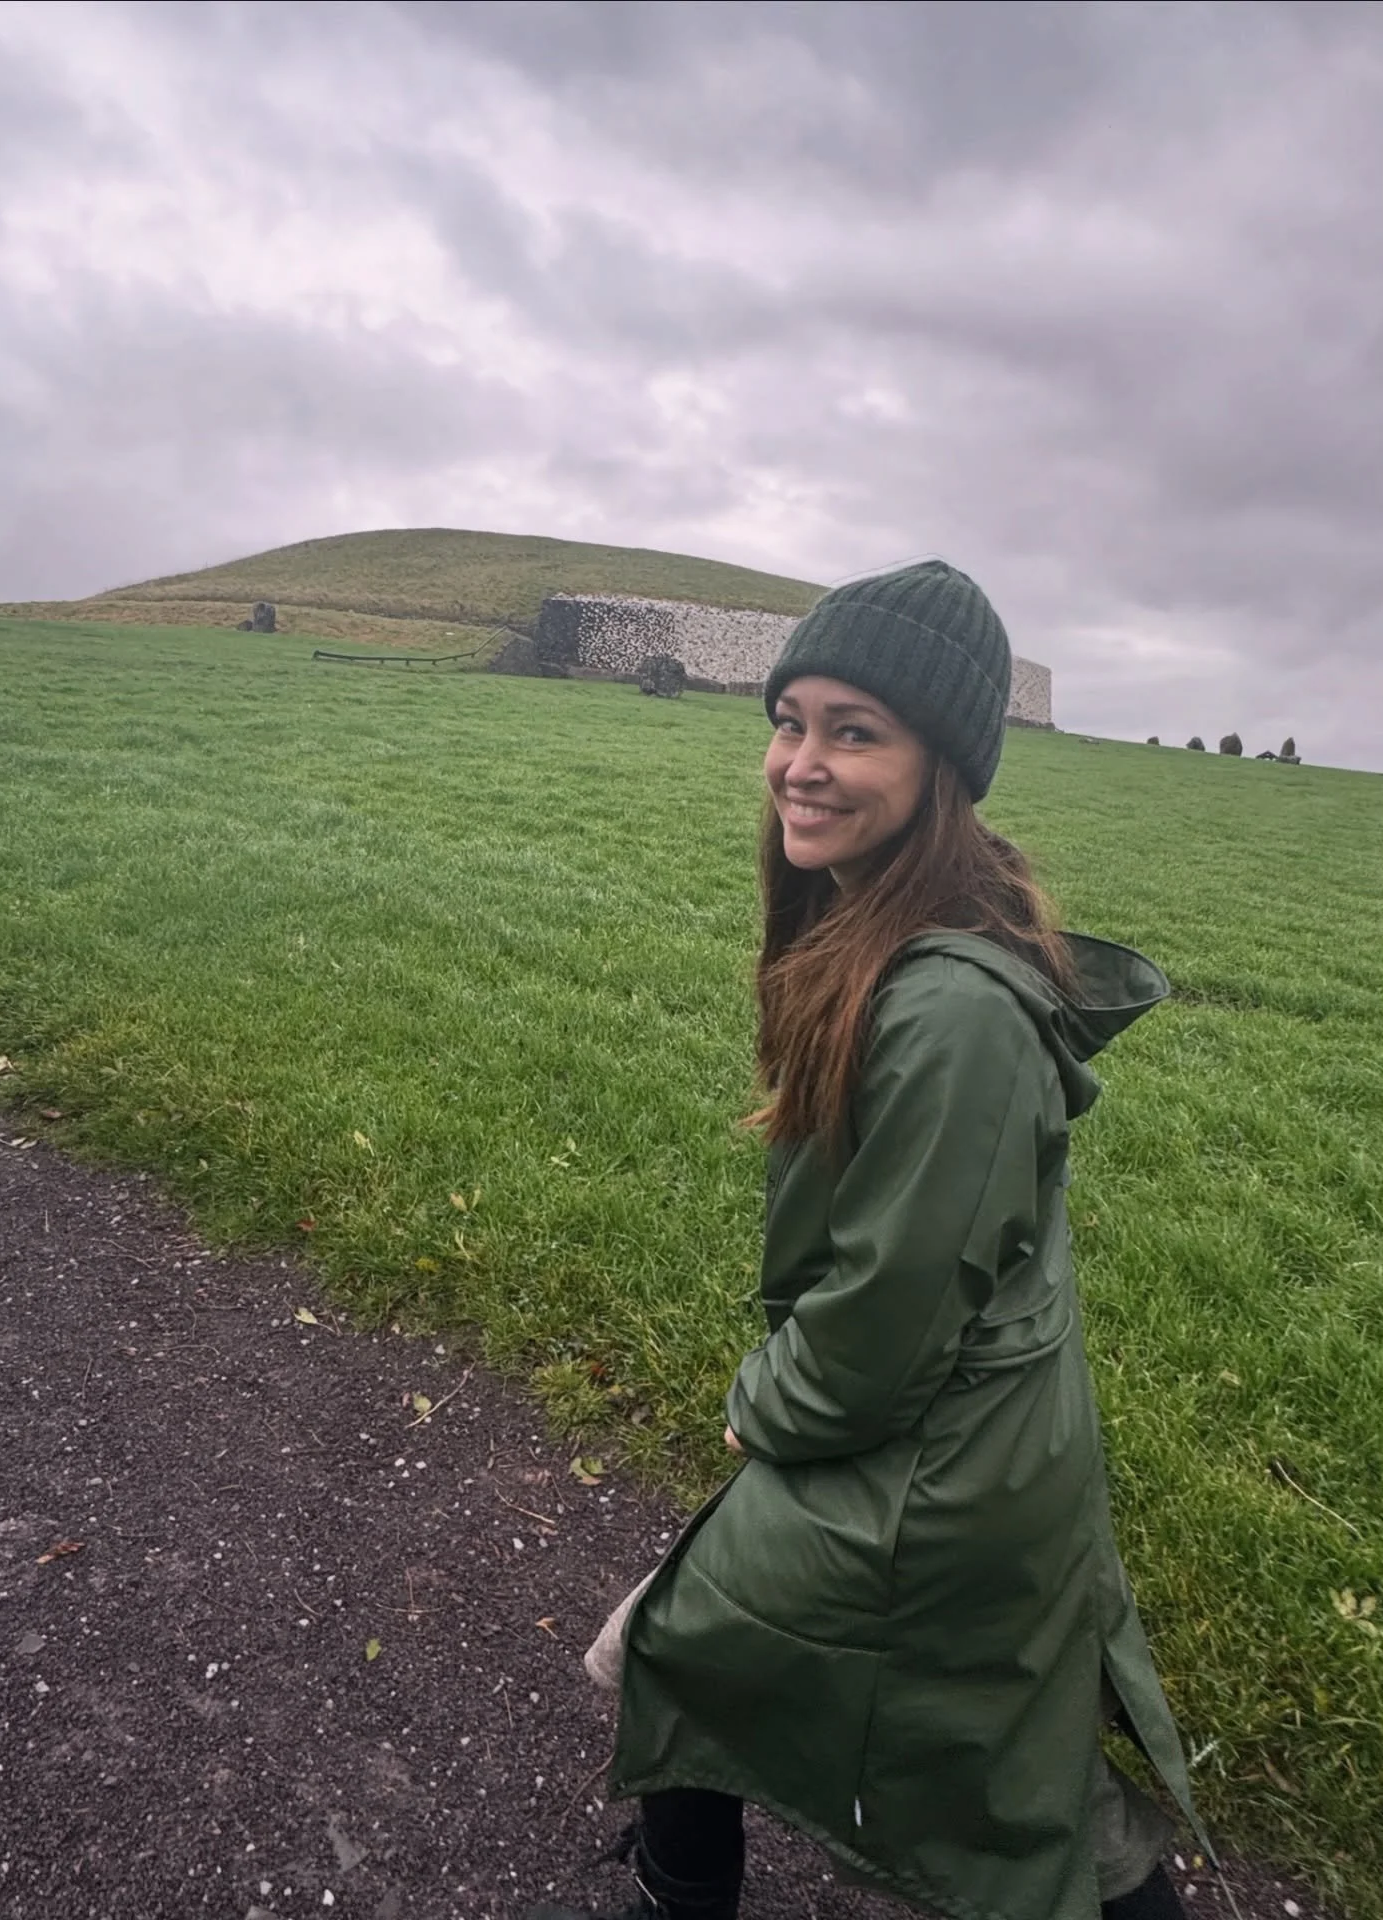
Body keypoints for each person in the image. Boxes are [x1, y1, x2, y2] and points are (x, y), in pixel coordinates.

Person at [529, 562, 1200, 1920]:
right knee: (1004, 1751)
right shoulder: (888, 934)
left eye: (855, 731)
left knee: (702, 1639)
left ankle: (674, 1899)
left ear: (940, 764)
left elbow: (883, 1323)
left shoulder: (948, 1012)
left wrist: (757, 1409)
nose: (801, 764)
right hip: (972, 1439)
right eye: (791, 718)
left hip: (941, 1463)